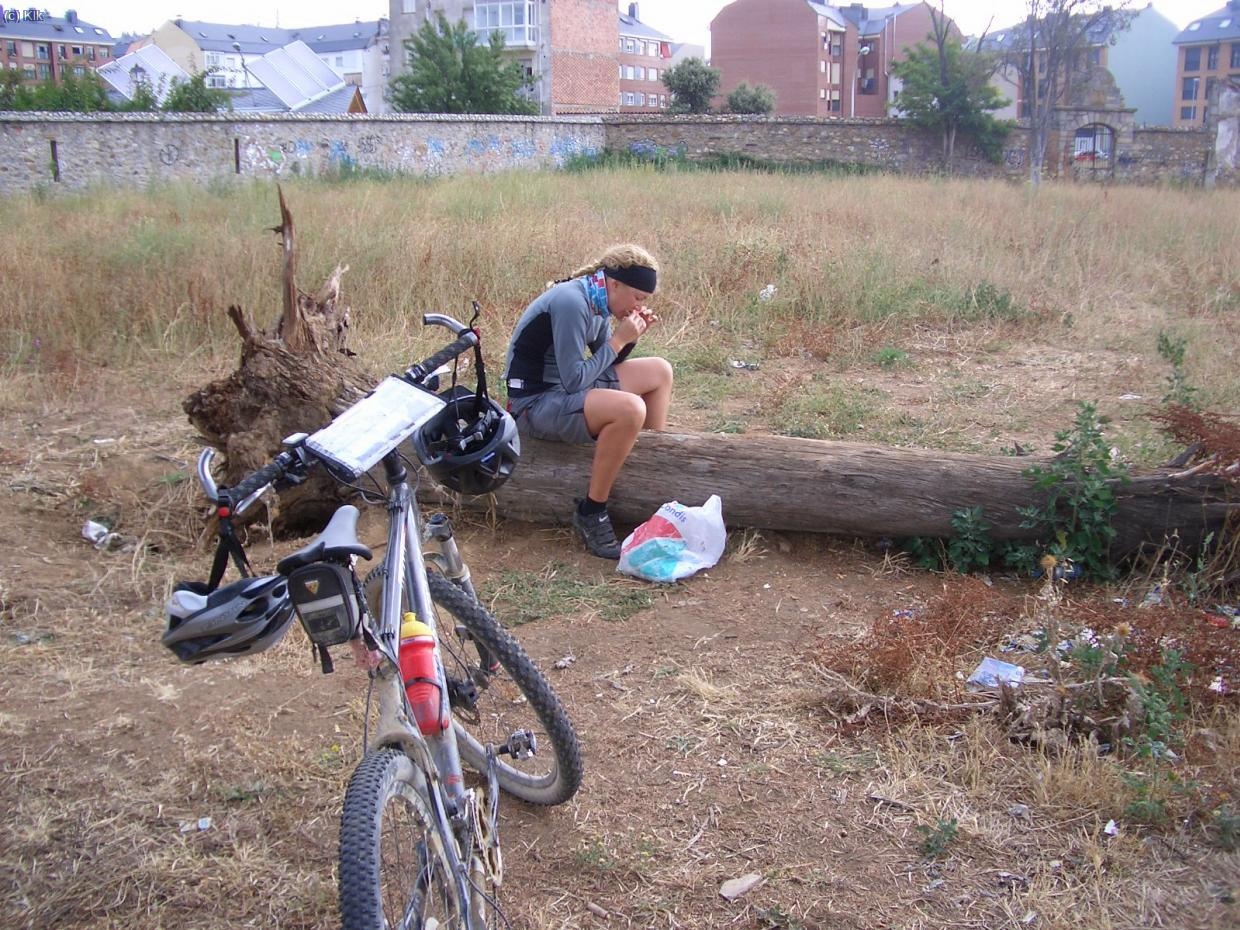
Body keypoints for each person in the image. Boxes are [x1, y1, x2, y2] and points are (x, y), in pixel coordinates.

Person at [502, 244, 673, 559]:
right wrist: (619, 338)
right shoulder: (572, 302)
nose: (638, 306)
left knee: (660, 371)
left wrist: (629, 337)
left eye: (644, 301)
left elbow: (603, 361)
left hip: (563, 390)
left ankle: (650, 464)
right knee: (630, 409)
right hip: (533, 404)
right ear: (615, 284)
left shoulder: (598, 302)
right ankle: (592, 511)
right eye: (638, 297)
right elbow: (574, 379)